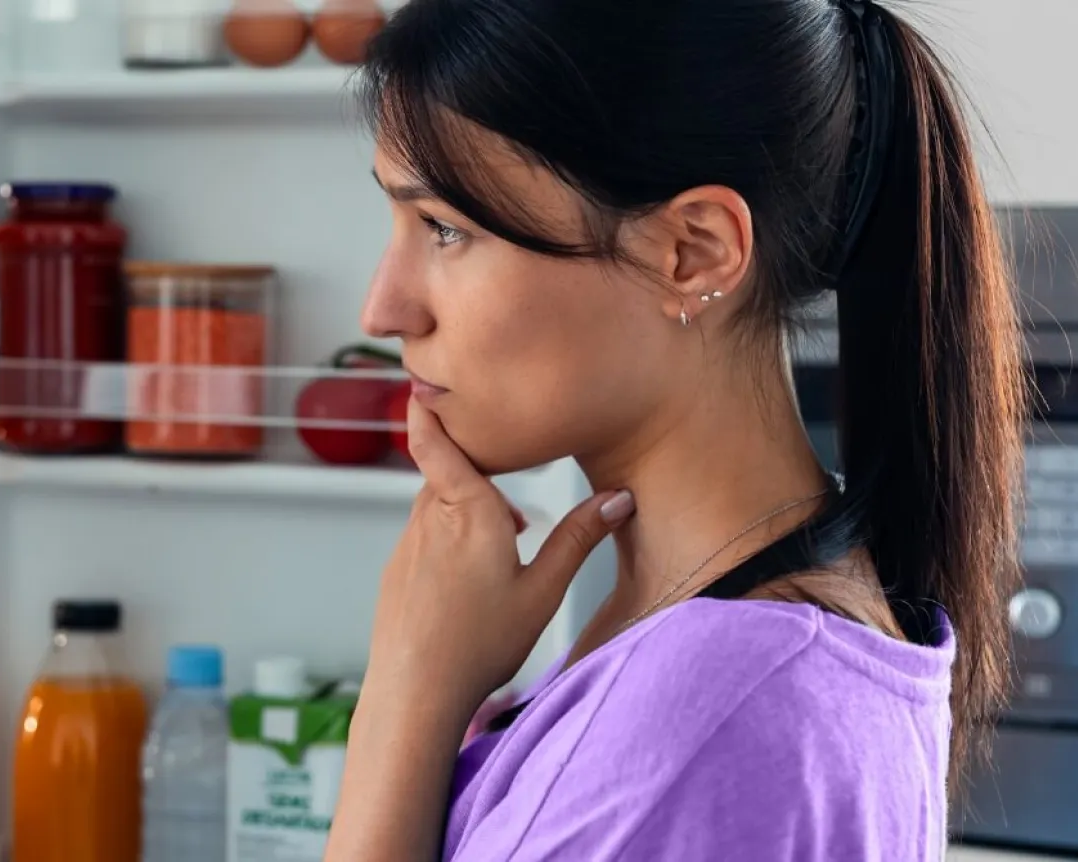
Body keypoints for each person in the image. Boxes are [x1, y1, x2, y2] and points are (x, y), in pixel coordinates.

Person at [324, 0, 1026, 859]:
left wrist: (408, 693)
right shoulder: (725, 641)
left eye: (446, 228)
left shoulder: (714, 704)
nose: (382, 308)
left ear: (692, 251)